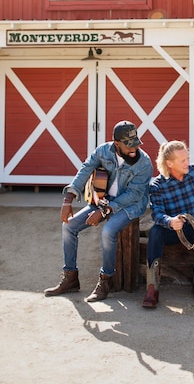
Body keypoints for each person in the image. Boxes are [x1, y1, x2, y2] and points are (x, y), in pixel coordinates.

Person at [44, 120, 153, 302]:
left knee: (108, 232)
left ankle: (106, 280)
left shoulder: (144, 163)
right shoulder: (103, 151)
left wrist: (105, 211)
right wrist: (68, 198)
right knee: (68, 226)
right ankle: (70, 278)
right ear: (116, 144)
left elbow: (134, 195)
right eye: (128, 145)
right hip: (103, 201)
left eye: (135, 143)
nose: (134, 149)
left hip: (130, 205)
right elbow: (85, 170)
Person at [142, 140, 194, 308]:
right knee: (156, 232)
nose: (188, 162)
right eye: (183, 160)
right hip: (173, 229)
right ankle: (152, 288)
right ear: (169, 163)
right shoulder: (157, 185)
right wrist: (169, 221)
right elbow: (157, 213)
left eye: (187, 158)